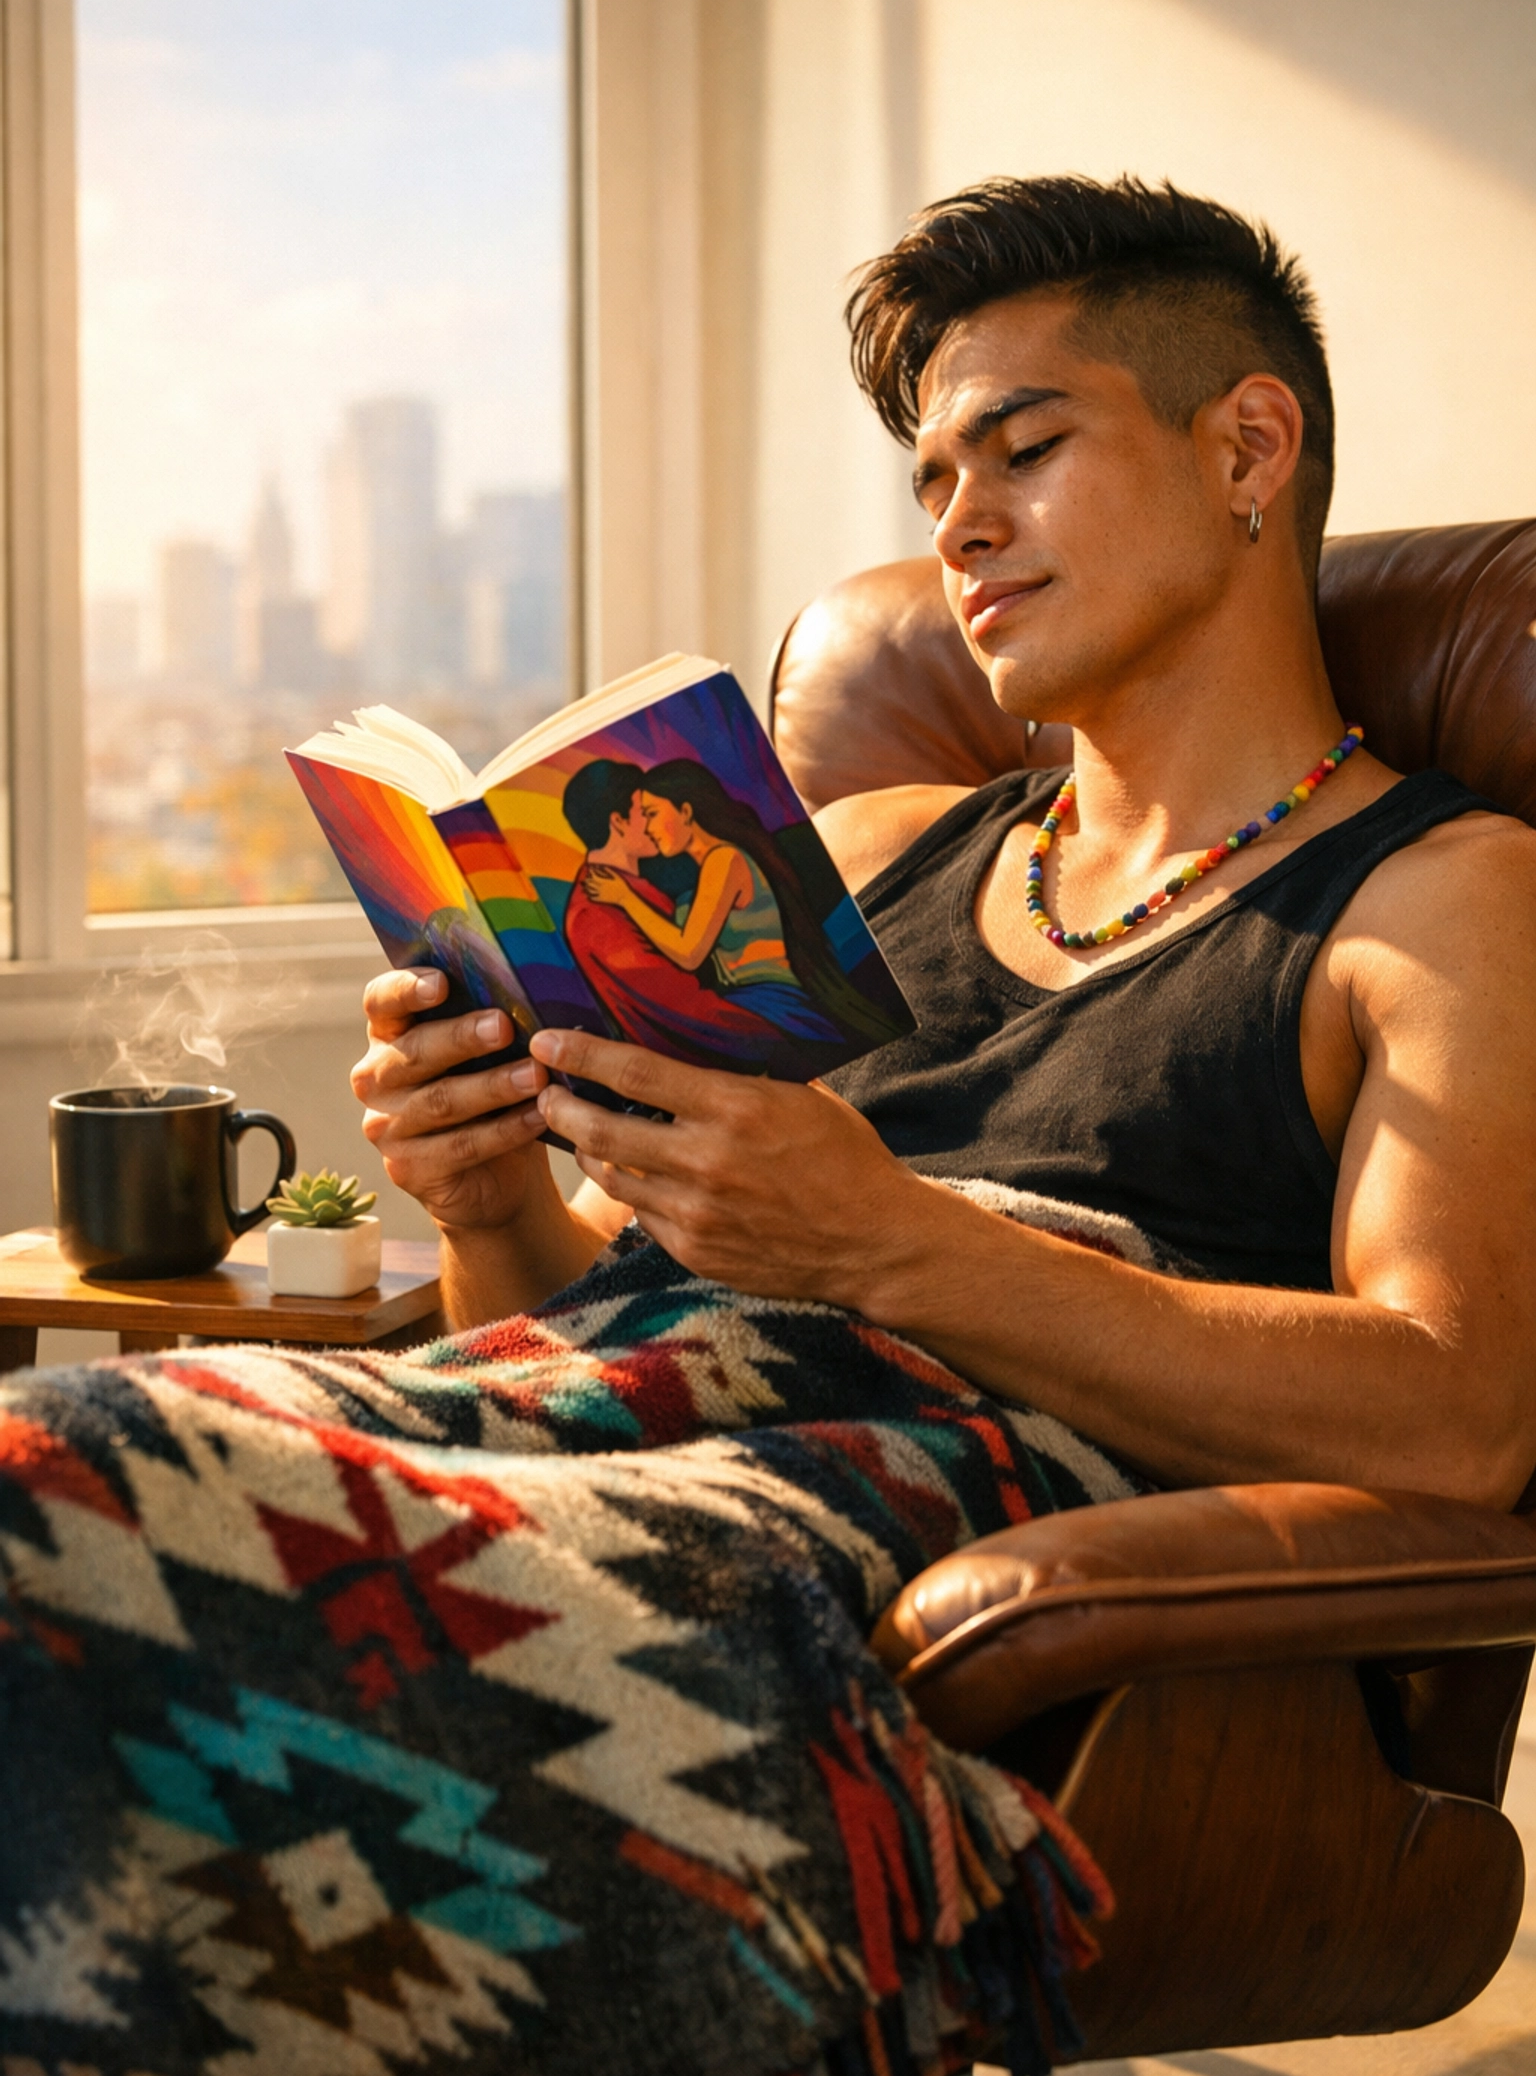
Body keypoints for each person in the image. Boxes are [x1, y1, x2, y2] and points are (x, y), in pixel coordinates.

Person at [351, 174, 1536, 1512]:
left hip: (844, 1521)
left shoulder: (1445, 908)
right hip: (587, 1473)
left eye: (1025, 451)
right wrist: (492, 1202)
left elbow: (1462, 1424)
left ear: (1247, 451)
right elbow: (571, 1341)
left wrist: (891, 1243)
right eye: (936, 485)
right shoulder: (860, 856)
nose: (959, 528)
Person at [583, 759, 847, 1047]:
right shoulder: (705, 870)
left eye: (652, 814)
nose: (647, 828)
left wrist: (624, 898)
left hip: (773, 1002)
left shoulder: (724, 860)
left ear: (685, 812)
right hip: (747, 1000)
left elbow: (689, 952)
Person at [558, 756, 781, 1068]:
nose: (653, 825)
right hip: (721, 1055)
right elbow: (686, 1011)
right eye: (645, 813)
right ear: (618, 822)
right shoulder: (595, 914)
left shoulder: (637, 882)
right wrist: (780, 1040)